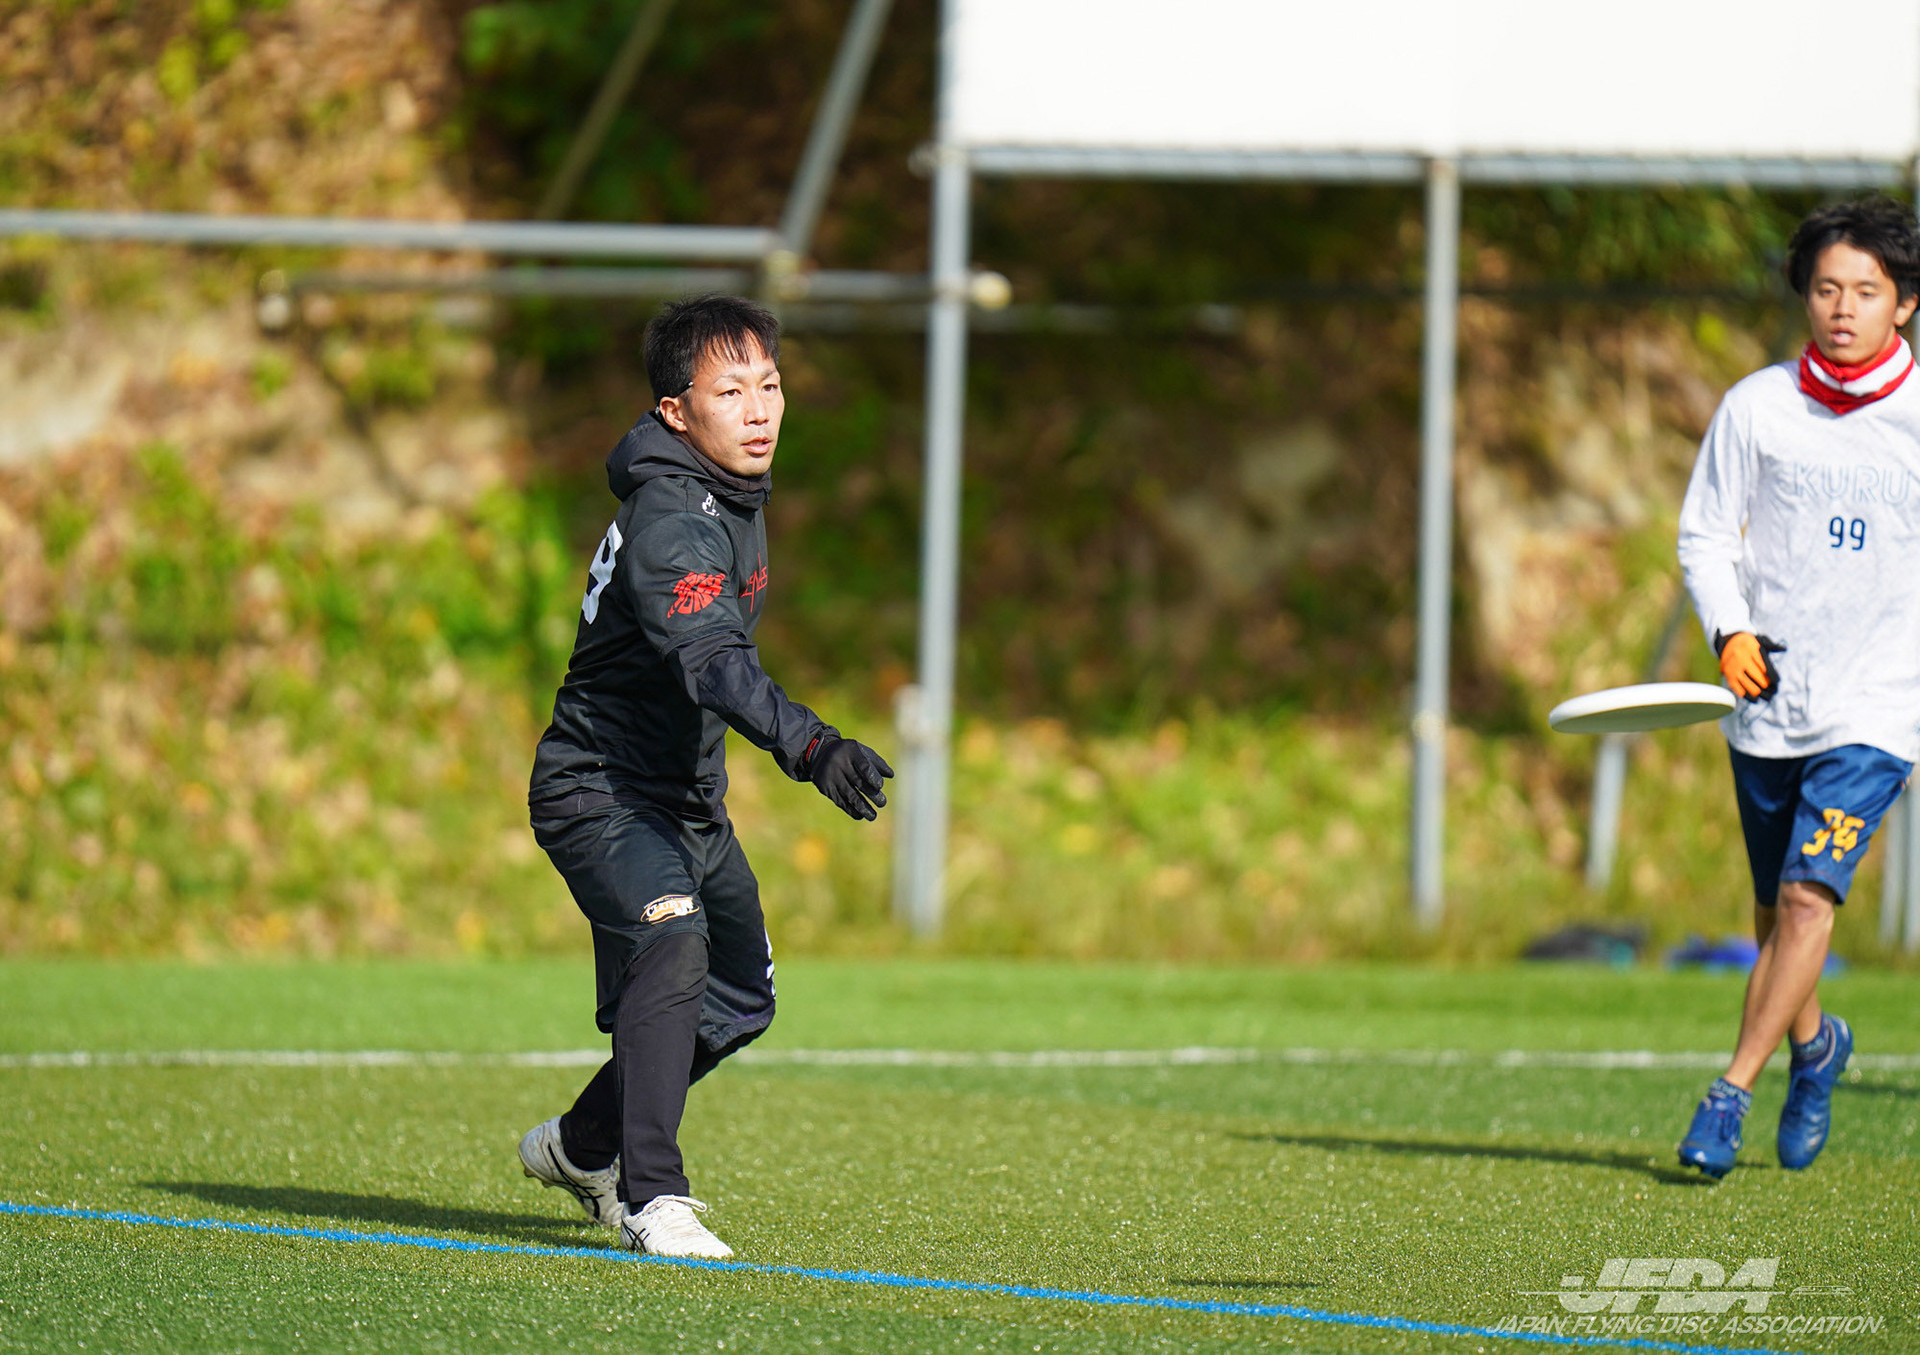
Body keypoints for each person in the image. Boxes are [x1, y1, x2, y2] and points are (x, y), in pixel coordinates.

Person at [515, 295, 893, 1256]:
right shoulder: (674, 518)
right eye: (731, 392)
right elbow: (714, 660)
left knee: (741, 994)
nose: (759, 409)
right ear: (676, 412)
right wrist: (814, 745)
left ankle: (583, 1145)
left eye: (770, 385)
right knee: (673, 940)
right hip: (600, 789)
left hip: (685, 802)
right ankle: (653, 1195)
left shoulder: (728, 491)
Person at [1675, 196, 1920, 1179]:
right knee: (1775, 911)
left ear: (1905, 303)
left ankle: (1730, 1089)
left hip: (1881, 701)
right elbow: (1705, 534)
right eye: (1826, 288)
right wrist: (1728, 630)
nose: (1843, 307)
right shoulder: (1758, 406)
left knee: (1810, 896)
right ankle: (1816, 1045)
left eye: (1866, 290)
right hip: (1770, 697)